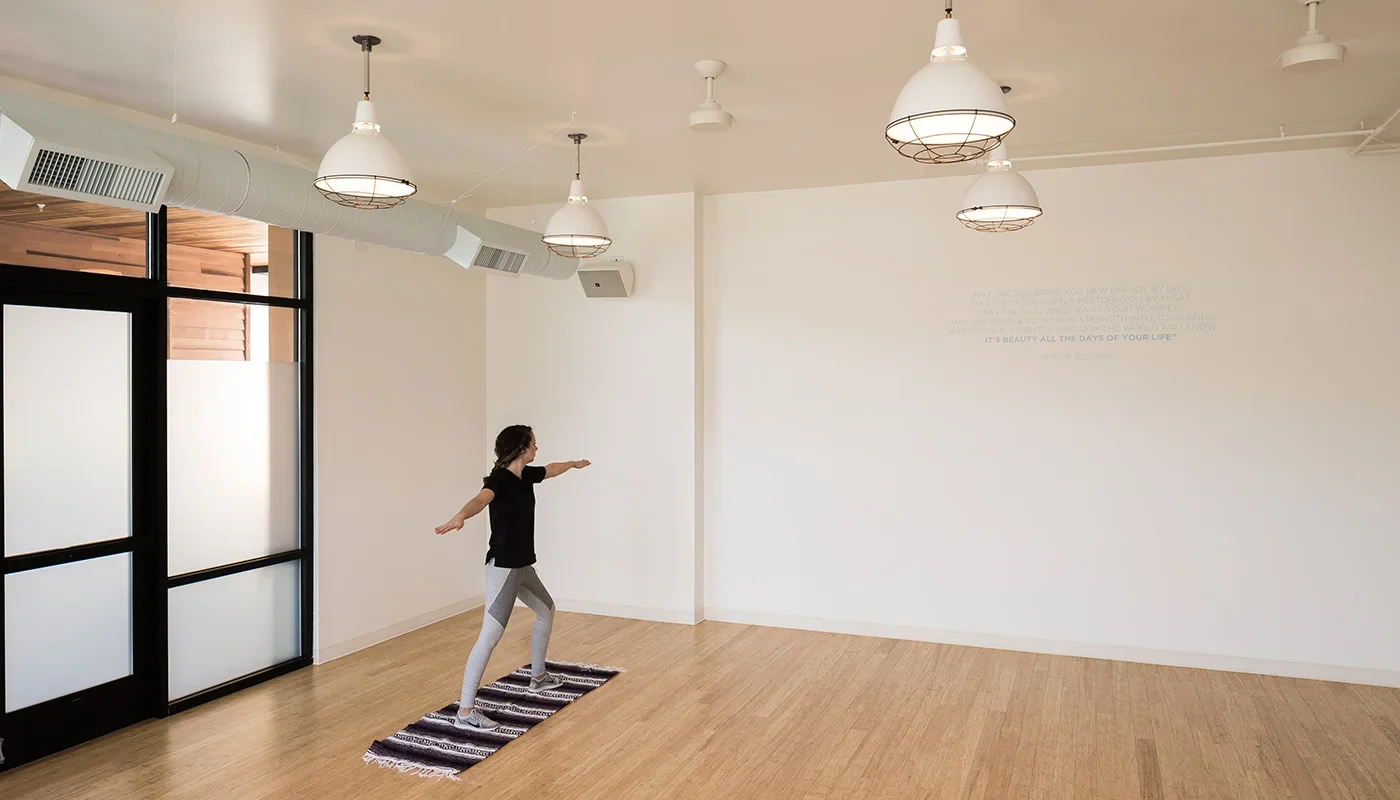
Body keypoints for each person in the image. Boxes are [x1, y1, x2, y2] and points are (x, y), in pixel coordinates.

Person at [434, 424, 590, 731]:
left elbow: (551, 469)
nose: (536, 448)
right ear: (521, 447)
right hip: (504, 568)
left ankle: (538, 677)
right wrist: (461, 515)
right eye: (533, 443)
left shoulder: (526, 475)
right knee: (490, 635)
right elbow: (481, 500)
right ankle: (465, 711)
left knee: (546, 610)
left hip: (522, 566)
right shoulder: (499, 480)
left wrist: (572, 464)